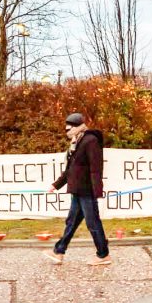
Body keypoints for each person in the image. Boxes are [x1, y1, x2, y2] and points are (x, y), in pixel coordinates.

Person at [45, 113, 111, 266]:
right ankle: (59, 251)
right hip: (77, 191)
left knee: (92, 223)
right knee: (71, 222)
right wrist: (55, 185)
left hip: (87, 191)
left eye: (70, 128)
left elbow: (96, 168)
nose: (67, 131)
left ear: (77, 127)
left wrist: (97, 191)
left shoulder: (90, 141)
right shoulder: (75, 143)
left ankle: (103, 255)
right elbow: (70, 170)